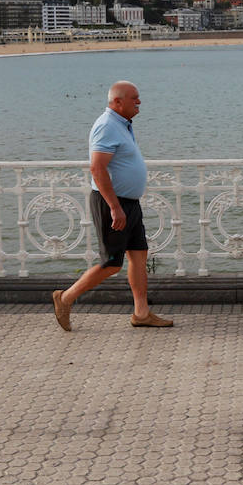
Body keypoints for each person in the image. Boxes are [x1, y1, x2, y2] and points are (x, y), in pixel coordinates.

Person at [52, 81, 173, 331]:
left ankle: (141, 313)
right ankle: (65, 298)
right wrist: (115, 207)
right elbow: (97, 168)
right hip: (113, 203)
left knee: (139, 255)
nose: (139, 102)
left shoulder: (122, 124)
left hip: (129, 203)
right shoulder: (106, 126)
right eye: (134, 98)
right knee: (112, 263)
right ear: (117, 102)